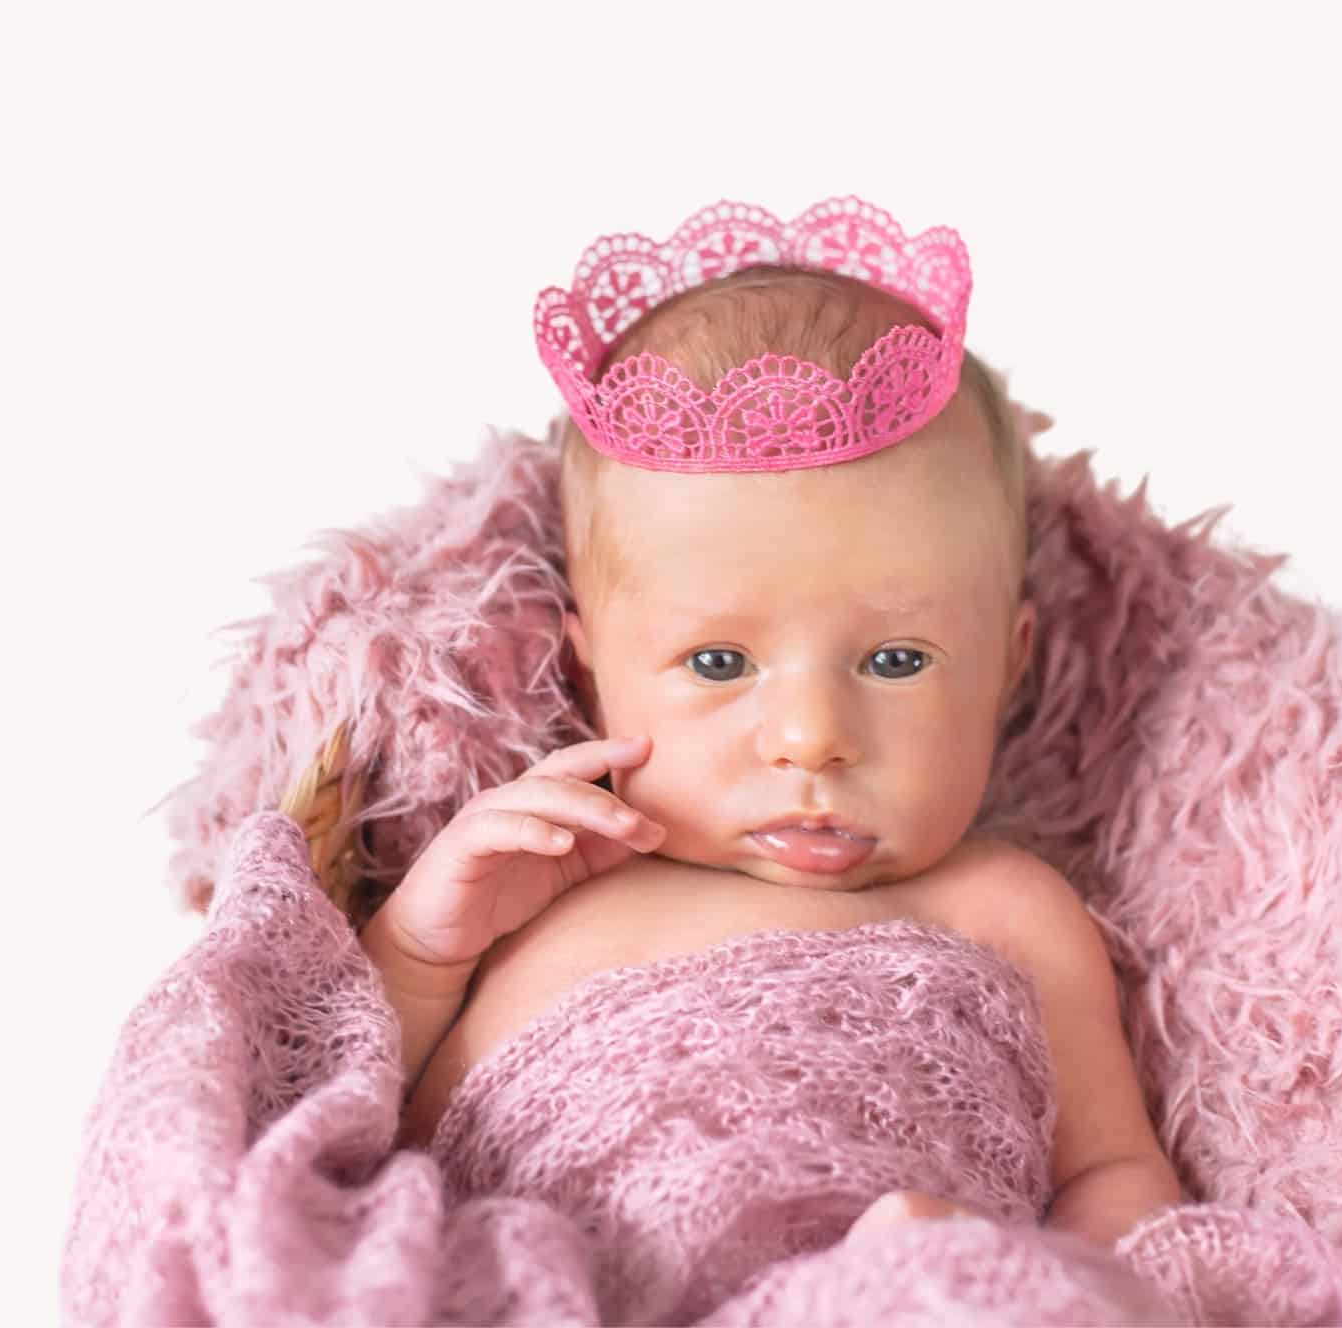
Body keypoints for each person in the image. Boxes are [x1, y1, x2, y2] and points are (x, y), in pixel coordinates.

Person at [358, 196, 1186, 1252]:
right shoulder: (538, 879)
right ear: (589, 665)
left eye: (895, 660)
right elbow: (356, 1134)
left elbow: (1114, 1172)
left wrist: (1046, 1281)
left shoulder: (1004, 906)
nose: (809, 736)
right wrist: (419, 952)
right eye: (717, 662)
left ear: (1009, 661)